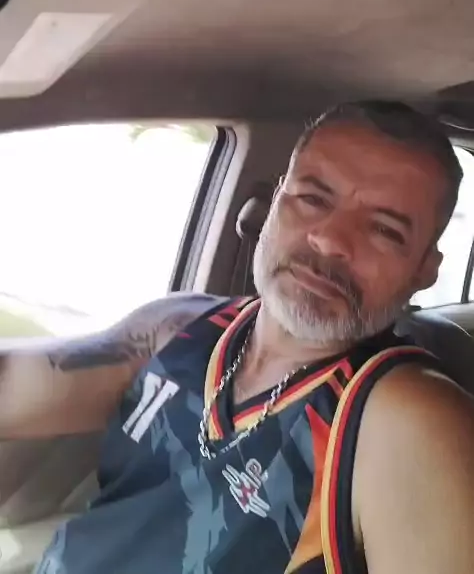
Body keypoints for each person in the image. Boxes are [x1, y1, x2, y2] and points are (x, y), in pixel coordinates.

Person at [1, 101, 473, 573]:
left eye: (384, 230)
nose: (331, 240)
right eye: (313, 199)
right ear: (275, 202)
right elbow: (16, 387)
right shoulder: (176, 327)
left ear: (425, 270)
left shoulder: (407, 418)